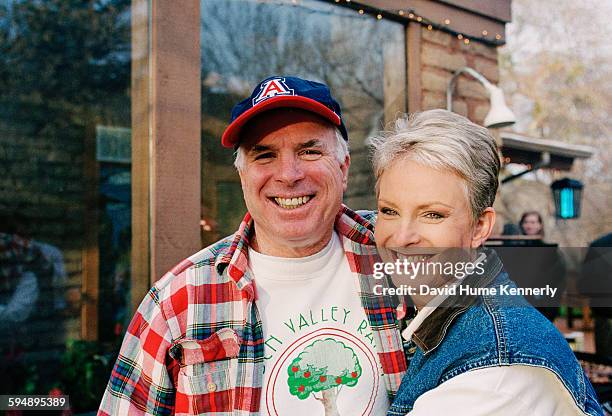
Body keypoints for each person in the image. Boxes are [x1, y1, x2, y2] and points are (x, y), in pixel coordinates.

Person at [98, 76, 407, 415]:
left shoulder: (400, 252)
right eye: (265, 155)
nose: (288, 175)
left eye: (309, 150)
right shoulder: (178, 300)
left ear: (343, 168)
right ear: (243, 177)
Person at [370, 110, 603, 416]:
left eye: (433, 214)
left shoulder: (496, 375)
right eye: (389, 211)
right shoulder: (452, 317)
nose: (402, 237)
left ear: (480, 226)